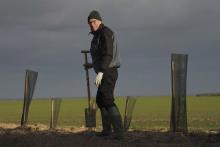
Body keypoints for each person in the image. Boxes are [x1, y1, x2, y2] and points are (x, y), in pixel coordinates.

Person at [84, 10, 123, 139]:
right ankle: (107, 130)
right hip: (103, 71)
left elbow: (108, 54)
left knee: (107, 99)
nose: (91, 24)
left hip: (109, 72)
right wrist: (92, 65)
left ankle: (119, 132)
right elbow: (100, 56)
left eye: (94, 21)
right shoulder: (97, 35)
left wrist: (100, 71)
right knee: (101, 100)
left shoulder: (106, 33)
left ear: (99, 20)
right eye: (89, 22)